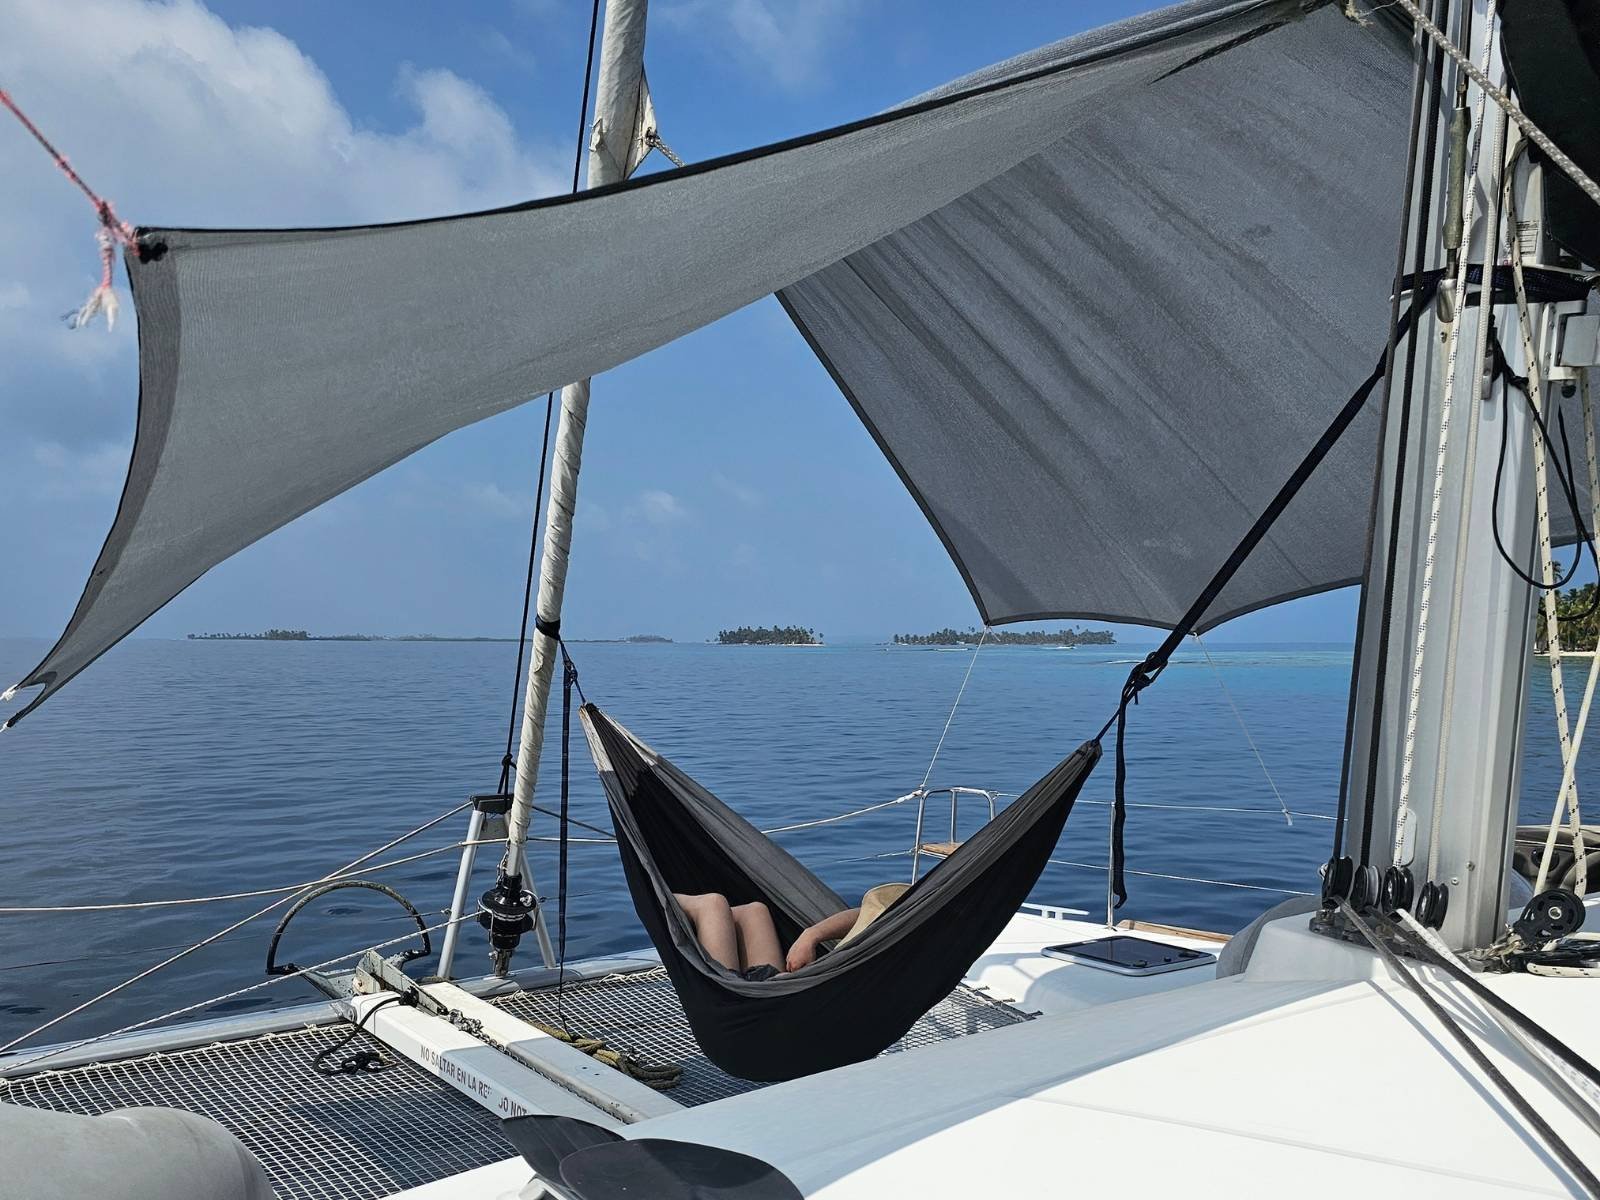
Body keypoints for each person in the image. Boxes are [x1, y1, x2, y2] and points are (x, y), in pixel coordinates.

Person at [674, 883, 908, 982]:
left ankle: (658, 894)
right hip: (774, 983)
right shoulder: (897, 922)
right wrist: (810, 935)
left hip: (741, 999)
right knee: (754, 911)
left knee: (714, 904)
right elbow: (863, 913)